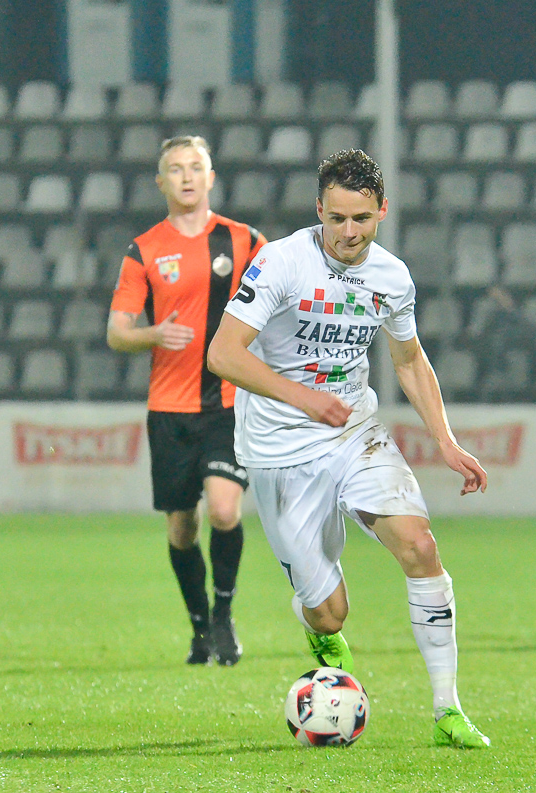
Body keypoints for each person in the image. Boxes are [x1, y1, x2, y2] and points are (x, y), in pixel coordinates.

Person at [207, 149, 491, 748]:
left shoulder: (392, 277)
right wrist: (304, 399)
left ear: (382, 211)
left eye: (361, 218)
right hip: (279, 448)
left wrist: (446, 441)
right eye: (336, 218)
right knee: (330, 612)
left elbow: (408, 359)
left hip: (354, 433)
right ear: (319, 210)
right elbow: (223, 354)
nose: (348, 232)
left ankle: (448, 709)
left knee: (420, 546)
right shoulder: (280, 263)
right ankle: (319, 629)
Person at [107, 135, 266, 666]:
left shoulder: (245, 241)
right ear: (161, 183)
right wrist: (153, 334)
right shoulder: (145, 249)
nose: (187, 176)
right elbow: (117, 333)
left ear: (211, 177)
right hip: (170, 408)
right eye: (175, 169)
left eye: (195, 166)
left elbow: (285, 295)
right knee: (181, 528)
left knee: (223, 509)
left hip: (228, 404)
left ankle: (224, 615)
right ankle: (199, 626)